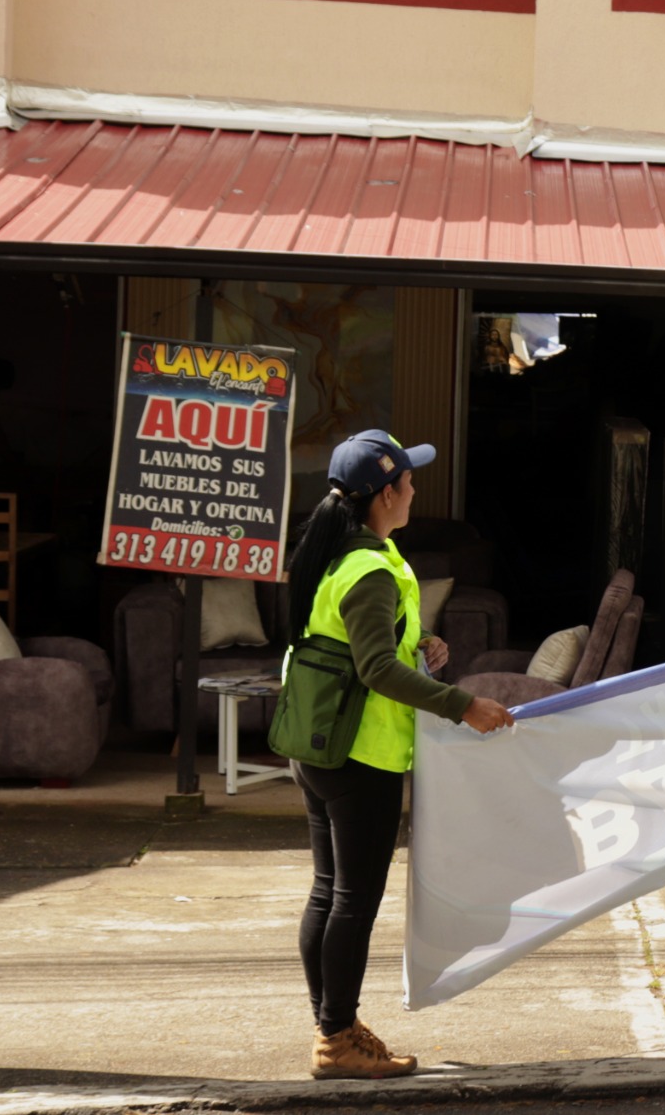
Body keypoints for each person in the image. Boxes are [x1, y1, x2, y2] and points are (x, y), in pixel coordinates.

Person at [285, 429, 514, 1079]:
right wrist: (460, 703)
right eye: (409, 480)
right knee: (351, 899)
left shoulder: (344, 553)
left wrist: (426, 641)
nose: (415, 487)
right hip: (360, 757)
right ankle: (335, 1039)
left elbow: (375, 644)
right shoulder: (370, 567)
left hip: (320, 744)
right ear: (385, 494)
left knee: (330, 892)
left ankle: (335, 1025)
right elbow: (378, 668)